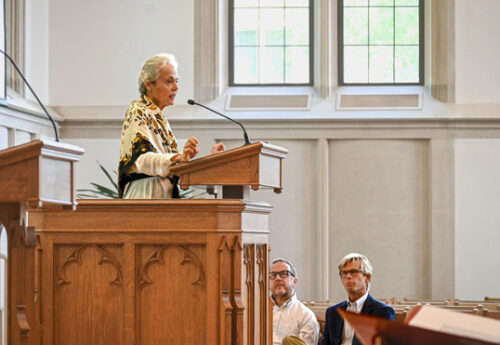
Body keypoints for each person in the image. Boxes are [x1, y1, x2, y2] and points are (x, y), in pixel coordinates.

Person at [118, 53, 225, 198]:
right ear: (149, 84)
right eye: (169, 81)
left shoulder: (160, 118)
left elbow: (171, 168)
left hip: (163, 194)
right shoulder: (138, 110)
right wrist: (178, 157)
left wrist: (211, 161)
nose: (176, 87)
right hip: (145, 195)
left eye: (176, 81)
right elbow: (141, 160)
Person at [321, 253, 395, 345]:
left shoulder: (382, 312)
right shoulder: (332, 312)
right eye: (344, 273)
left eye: (353, 272)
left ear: (367, 277)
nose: (348, 276)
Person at [271, 258, 319, 345]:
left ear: (295, 281)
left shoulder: (306, 316)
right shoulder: (258, 313)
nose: (277, 278)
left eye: (283, 274)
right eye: (272, 275)